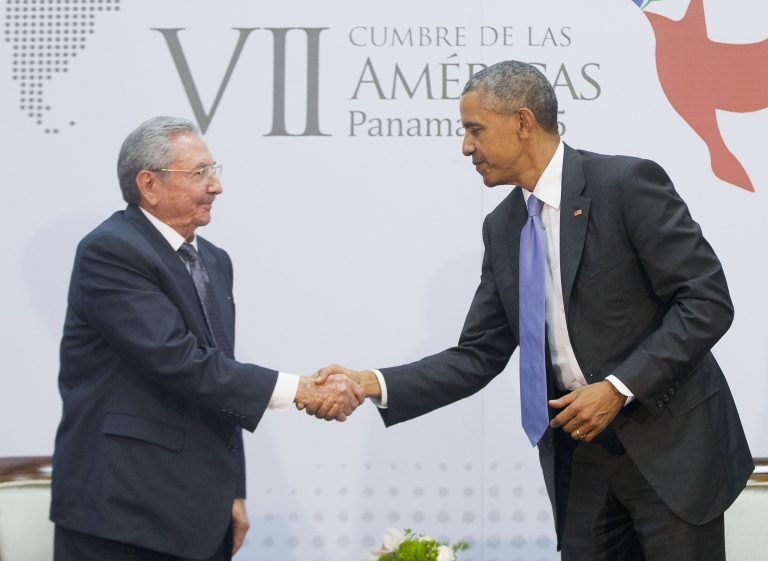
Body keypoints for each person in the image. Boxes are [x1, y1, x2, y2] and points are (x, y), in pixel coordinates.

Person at [308, 61, 753, 560]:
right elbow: (477, 355)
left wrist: (619, 387)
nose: (465, 147)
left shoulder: (626, 185)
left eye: (475, 130)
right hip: (578, 458)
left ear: (523, 122)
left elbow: (706, 299)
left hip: (669, 451)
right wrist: (369, 382)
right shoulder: (503, 227)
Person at [50, 116, 365, 561]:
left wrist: (232, 491)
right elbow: (179, 360)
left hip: (197, 513)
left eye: (215, 170)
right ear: (149, 185)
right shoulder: (111, 251)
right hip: (123, 514)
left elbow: (219, 378)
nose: (216, 186)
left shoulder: (212, 261)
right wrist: (300, 389)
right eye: (199, 173)